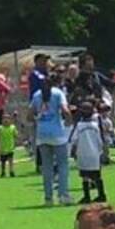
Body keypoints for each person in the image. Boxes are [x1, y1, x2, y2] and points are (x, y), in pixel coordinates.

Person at [31, 71, 72, 206]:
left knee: (47, 167)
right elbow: (65, 110)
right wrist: (68, 121)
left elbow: (29, 115)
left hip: (42, 134)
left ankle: (48, 197)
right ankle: (63, 194)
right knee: (62, 165)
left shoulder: (37, 95)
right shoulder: (58, 93)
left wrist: (38, 118)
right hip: (57, 133)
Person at [68, 101, 107, 205]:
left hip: (83, 153)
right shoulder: (95, 126)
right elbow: (99, 141)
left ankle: (87, 196)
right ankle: (101, 194)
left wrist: (73, 150)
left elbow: (74, 139)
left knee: (85, 176)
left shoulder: (79, 126)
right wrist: (101, 151)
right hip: (94, 154)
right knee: (97, 175)